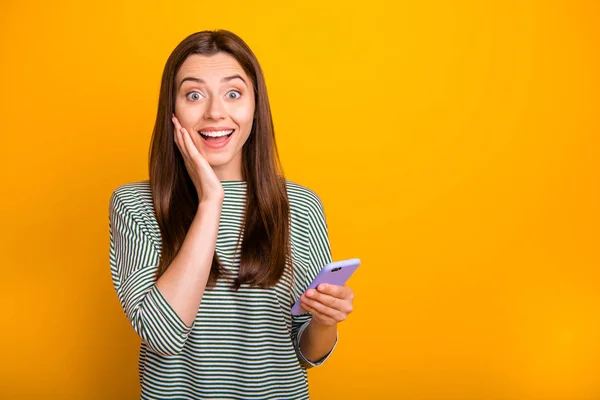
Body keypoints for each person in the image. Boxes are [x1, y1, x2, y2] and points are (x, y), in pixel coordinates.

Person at [108, 30, 355, 400]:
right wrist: (210, 201)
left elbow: (308, 353)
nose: (215, 112)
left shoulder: (300, 206)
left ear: (256, 106)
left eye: (233, 93)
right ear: (171, 110)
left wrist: (324, 321)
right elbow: (162, 334)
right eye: (193, 95)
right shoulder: (136, 204)